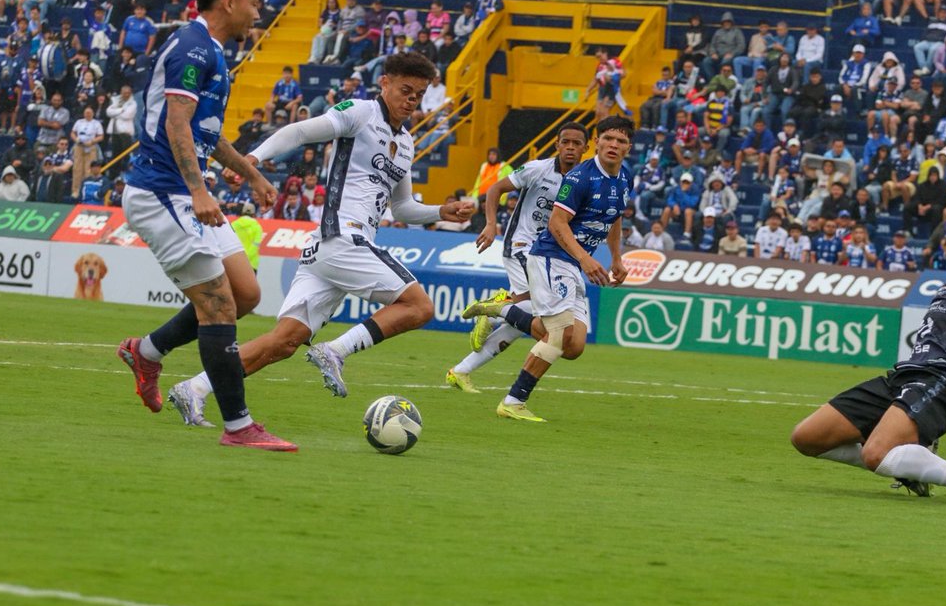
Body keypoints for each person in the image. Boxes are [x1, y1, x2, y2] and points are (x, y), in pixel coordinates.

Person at [166, 52, 474, 420]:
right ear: (385, 83)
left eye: (418, 95)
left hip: (331, 249)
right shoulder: (360, 112)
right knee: (420, 306)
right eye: (405, 91)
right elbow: (299, 131)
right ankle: (336, 351)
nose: (411, 101)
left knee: (283, 342)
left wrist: (442, 211)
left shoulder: (405, 143)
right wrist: (255, 159)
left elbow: (403, 207)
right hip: (343, 236)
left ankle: (194, 388)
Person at [114, 0, 294, 451]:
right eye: (255, 1)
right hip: (162, 192)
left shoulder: (211, 51)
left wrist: (251, 172)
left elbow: (203, 135)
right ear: (229, 1)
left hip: (184, 191)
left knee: (246, 294)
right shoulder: (193, 48)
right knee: (218, 306)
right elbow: (176, 125)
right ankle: (239, 427)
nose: (260, 10)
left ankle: (146, 351)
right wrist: (198, 191)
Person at [790, 186, 946, 511]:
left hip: (944, 380)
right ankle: (912, 462)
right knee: (807, 437)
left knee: (876, 453)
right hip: (907, 374)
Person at [464, 116, 634, 422]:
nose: (613, 145)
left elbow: (615, 216)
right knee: (557, 335)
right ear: (597, 143)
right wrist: (585, 259)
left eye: (621, 141)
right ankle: (514, 401)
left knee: (574, 346)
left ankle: (504, 310)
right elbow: (557, 224)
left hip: (574, 263)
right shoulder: (580, 178)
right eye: (608, 138)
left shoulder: (624, 178)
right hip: (551, 258)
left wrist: (617, 258)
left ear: (628, 148)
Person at [445, 124, 589, 393]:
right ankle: (499, 305)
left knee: (524, 323)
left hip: (550, 255)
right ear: (557, 144)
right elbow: (495, 189)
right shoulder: (538, 169)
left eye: (576, 143)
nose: (570, 147)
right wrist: (490, 224)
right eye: (565, 142)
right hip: (522, 246)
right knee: (538, 312)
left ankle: (461, 370)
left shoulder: (584, 180)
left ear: (585, 148)